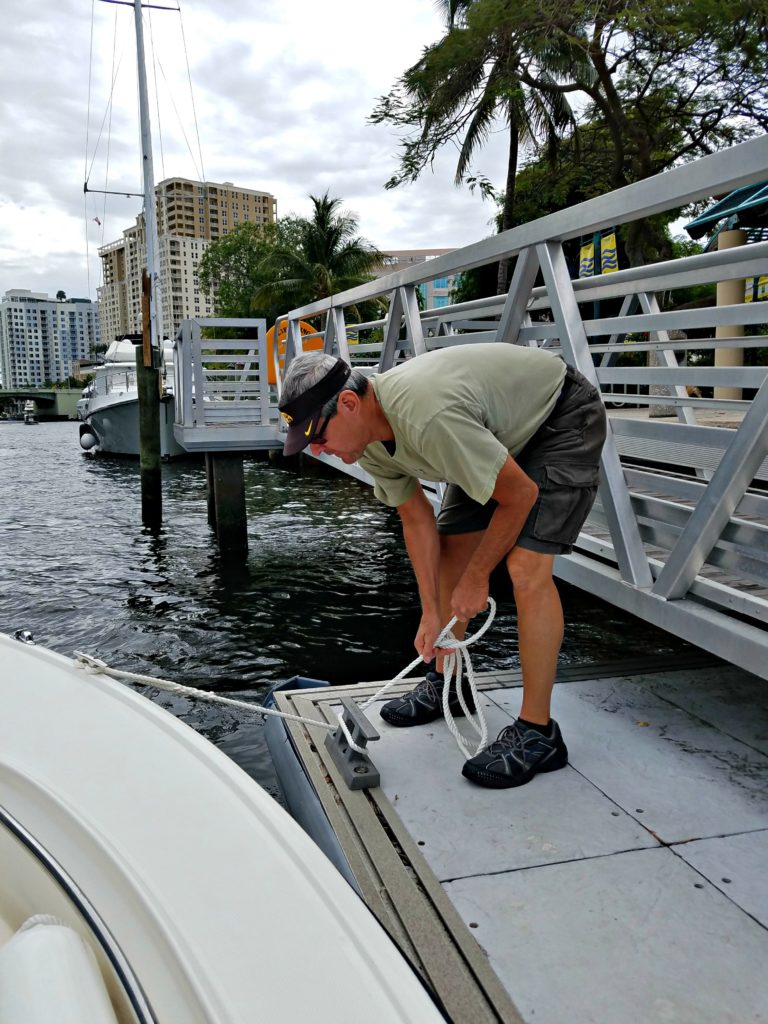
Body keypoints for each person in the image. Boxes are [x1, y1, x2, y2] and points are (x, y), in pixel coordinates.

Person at [278, 343, 606, 789]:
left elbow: (521, 496)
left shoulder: (426, 418)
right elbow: (416, 518)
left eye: (319, 436)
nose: (317, 451)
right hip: (492, 430)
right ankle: (449, 683)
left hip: (559, 416)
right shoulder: (368, 441)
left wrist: (477, 579)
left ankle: (539, 732)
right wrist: (432, 612)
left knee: (526, 568)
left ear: (350, 404)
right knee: (453, 554)